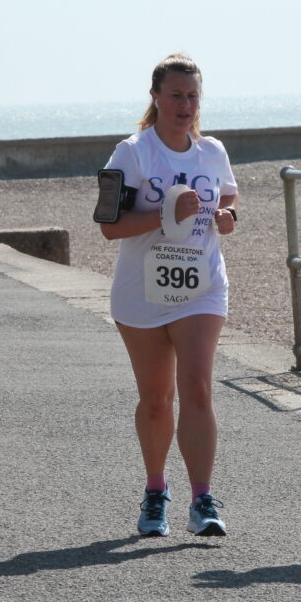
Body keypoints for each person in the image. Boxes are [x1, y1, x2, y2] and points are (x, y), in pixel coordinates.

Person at [99, 53, 239, 538]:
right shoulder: (132, 153)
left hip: (202, 286)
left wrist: (227, 217)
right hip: (142, 290)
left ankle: (203, 499)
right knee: (156, 400)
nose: (185, 105)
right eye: (176, 95)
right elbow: (108, 227)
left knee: (197, 387)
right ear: (155, 96)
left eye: (193, 96)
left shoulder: (212, 153)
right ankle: (156, 491)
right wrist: (166, 215)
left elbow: (227, 197)